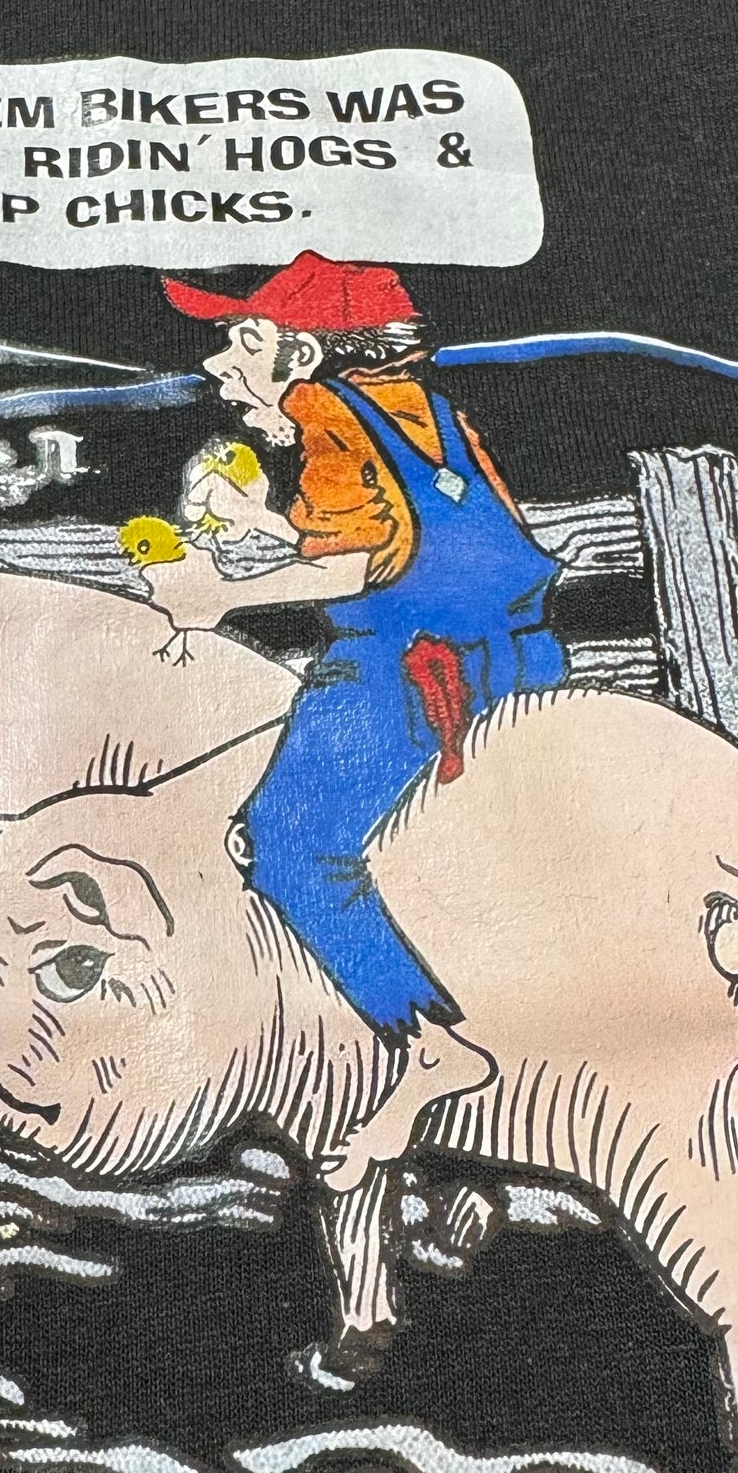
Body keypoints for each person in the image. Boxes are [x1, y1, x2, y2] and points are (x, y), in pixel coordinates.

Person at [149, 251, 567, 1187]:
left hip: (401, 672)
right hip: (522, 661)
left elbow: (354, 566)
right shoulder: (429, 413)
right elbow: (412, 530)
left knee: (286, 843)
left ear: (301, 354)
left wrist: (216, 596)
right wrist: (266, 522)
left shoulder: (323, 410)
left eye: (243, 340)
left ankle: (424, 1037)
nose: (219, 362)